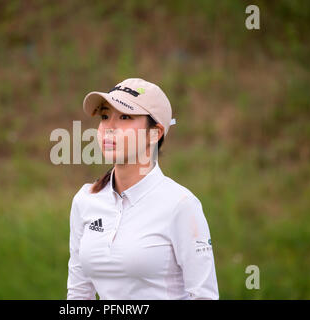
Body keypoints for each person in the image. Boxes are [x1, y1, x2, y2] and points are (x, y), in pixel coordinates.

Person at [67, 78, 219, 299]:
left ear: (155, 133)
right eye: (105, 116)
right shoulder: (85, 200)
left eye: (125, 117)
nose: (109, 127)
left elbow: (204, 296)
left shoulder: (181, 205)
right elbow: (79, 294)